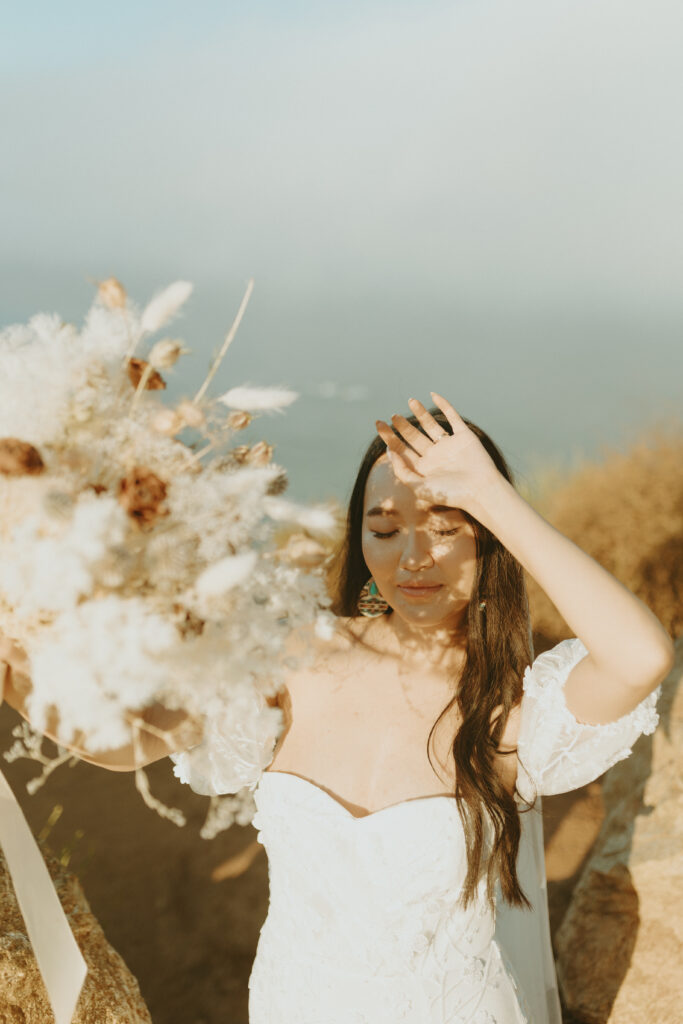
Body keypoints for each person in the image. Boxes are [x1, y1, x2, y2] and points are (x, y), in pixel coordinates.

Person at [1, 392, 674, 1024]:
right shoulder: (289, 654)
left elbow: (639, 656)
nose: (414, 557)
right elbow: (131, 743)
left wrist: (490, 496)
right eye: (383, 528)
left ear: (487, 535)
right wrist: (19, 668)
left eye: (446, 526)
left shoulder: (505, 701)